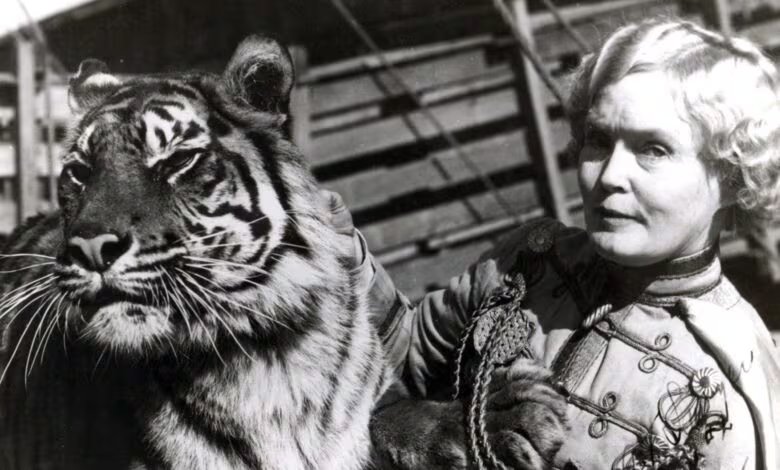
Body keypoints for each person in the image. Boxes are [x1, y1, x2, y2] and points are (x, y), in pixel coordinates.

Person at [325, 18, 780, 469]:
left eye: (653, 150)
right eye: (599, 140)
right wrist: (333, 247)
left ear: (730, 176)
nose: (610, 175)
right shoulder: (531, 260)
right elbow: (408, 362)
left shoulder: (726, 388)